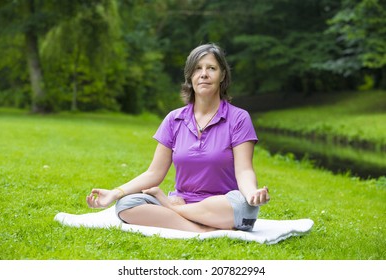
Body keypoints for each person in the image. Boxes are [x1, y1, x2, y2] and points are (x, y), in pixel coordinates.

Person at [86, 43, 270, 232]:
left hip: (222, 204)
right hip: (187, 200)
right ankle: (203, 229)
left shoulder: (239, 118)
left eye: (211, 68)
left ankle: (173, 210)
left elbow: (244, 171)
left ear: (222, 75)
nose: (204, 74)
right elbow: (153, 174)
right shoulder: (174, 119)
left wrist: (251, 194)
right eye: (198, 68)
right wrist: (115, 193)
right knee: (126, 204)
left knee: (244, 207)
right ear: (190, 76)